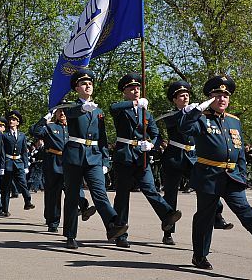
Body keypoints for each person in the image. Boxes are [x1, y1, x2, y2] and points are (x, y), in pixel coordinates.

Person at [180, 75, 252, 270]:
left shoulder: (234, 121)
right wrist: (195, 112)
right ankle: (200, 256)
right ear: (210, 98)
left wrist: (243, 173)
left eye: (225, 96)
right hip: (208, 175)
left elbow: (240, 151)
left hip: (232, 175)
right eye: (217, 95)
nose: (222, 99)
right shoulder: (201, 119)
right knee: (205, 216)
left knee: (243, 206)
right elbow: (184, 129)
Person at [109, 73, 182, 248]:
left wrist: (151, 145)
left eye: (138, 88)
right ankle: (121, 233)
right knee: (122, 196)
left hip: (141, 156)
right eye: (132, 88)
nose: (136, 91)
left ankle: (167, 214)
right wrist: (135, 103)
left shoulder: (146, 112)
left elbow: (156, 135)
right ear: (125, 92)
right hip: (125, 156)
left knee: (151, 189)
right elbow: (113, 107)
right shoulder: (122, 109)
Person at [159, 80, 232, 246]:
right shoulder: (171, 115)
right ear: (174, 100)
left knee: (207, 186)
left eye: (187, 95)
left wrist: (195, 112)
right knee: (170, 194)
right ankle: (168, 231)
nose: (185, 97)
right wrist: (189, 112)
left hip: (191, 156)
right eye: (181, 96)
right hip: (173, 157)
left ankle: (217, 217)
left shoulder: (196, 114)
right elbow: (177, 122)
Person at [61, 69, 127, 249]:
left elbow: (103, 137)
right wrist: (82, 108)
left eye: (90, 83)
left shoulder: (98, 110)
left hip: (95, 156)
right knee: (72, 197)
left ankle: (114, 225)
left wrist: (106, 160)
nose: (88, 85)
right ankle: (70, 235)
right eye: (83, 83)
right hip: (75, 155)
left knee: (100, 194)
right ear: (76, 88)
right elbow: (70, 114)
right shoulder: (70, 106)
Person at [29, 101, 97, 233]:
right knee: (53, 194)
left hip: (70, 162)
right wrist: (46, 117)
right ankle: (53, 221)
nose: (62, 113)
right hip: (54, 163)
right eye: (59, 110)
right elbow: (35, 131)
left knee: (75, 188)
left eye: (65, 110)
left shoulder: (73, 127)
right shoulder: (50, 127)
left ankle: (84, 208)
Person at [1, 110, 34, 215]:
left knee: (23, 183)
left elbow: (24, 151)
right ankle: (5, 209)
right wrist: (1, 166)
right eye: (10, 119)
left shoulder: (22, 135)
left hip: (18, 162)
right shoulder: (5, 135)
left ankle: (27, 201)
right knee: (6, 187)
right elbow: (2, 151)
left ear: (18, 122)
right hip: (8, 162)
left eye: (14, 120)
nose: (11, 121)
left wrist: (25, 165)